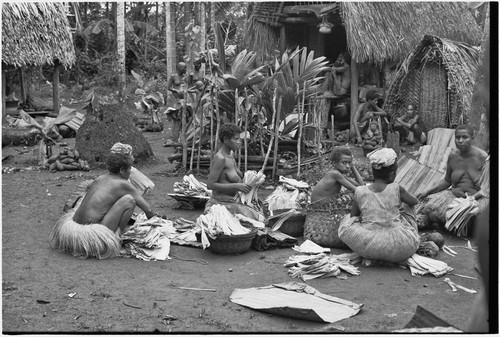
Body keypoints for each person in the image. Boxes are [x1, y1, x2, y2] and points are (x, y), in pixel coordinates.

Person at [49, 143, 160, 259]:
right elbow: (149, 210)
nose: (130, 173)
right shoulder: (123, 184)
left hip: (71, 232)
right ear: (122, 170)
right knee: (129, 200)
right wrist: (159, 221)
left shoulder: (99, 179)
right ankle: (116, 238)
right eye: (129, 169)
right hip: (91, 238)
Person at [338, 148, 420, 264]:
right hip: (400, 247)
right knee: (409, 206)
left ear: (373, 172)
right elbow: (414, 201)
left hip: (368, 245)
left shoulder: (360, 191)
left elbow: (353, 216)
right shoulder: (396, 188)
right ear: (392, 173)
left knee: (347, 219)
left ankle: (374, 257)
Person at [416, 124, 488, 232]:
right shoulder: (453, 156)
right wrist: (427, 192)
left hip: (476, 199)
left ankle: (458, 226)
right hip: (454, 196)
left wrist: (471, 200)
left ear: (472, 138)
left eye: (464, 137)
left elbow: (488, 187)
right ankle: (455, 225)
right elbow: (447, 181)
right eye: (457, 137)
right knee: (431, 211)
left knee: (477, 218)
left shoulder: (483, 157)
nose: (460, 140)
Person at [206, 123, 264, 221]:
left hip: (235, 200)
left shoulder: (231, 155)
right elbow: (210, 185)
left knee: (262, 211)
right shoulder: (220, 158)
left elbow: (239, 176)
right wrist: (236, 186)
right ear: (225, 139)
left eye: (239, 139)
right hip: (220, 203)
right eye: (235, 139)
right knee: (257, 219)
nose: (239, 142)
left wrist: (254, 179)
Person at [165, 62, 188, 144]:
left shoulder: (185, 77)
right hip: (176, 100)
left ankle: (183, 137)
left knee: (185, 118)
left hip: (184, 100)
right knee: (176, 119)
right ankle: (174, 138)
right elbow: (168, 87)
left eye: (185, 67)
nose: (185, 69)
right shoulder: (173, 76)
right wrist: (176, 90)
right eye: (184, 68)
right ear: (179, 68)